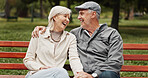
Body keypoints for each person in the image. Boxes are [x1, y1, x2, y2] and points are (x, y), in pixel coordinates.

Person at [32, 1, 124, 78]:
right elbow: (57, 36)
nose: (78, 17)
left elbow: (115, 62)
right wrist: (45, 29)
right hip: (82, 75)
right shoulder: (74, 34)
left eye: (82, 14)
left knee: (108, 75)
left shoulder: (112, 34)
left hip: (103, 75)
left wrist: (93, 75)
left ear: (93, 14)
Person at [23, 6, 85, 78]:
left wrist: (79, 73)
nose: (67, 20)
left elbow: (74, 58)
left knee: (60, 72)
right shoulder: (39, 34)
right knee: (61, 71)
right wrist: (40, 67)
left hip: (57, 76)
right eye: (65, 16)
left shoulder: (70, 38)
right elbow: (28, 59)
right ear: (55, 17)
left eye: (68, 18)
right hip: (37, 74)